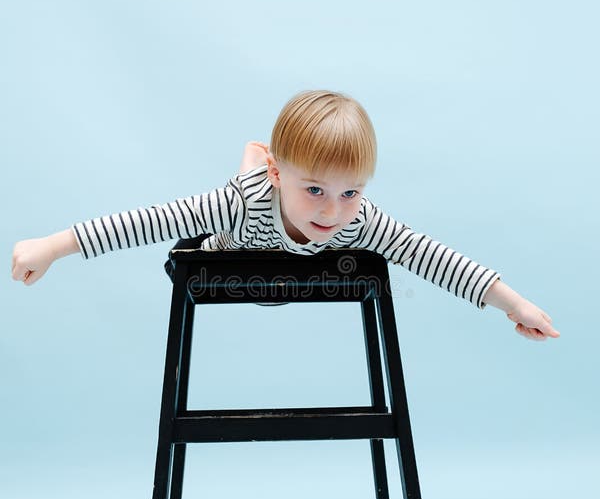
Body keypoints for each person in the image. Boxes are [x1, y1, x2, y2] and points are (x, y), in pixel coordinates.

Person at [11, 89, 559, 341]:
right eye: (317, 189)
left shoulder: (359, 218)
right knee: (222, 205)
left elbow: (432, 256)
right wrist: (53, 247)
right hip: (235, 246)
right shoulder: (245, 201)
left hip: (288, 245)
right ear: (283, 177)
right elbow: (149, 220)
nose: (333, 209)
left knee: (366, 232)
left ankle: (262, 156)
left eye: (350, 192)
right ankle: (254, 159)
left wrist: (515, 305)